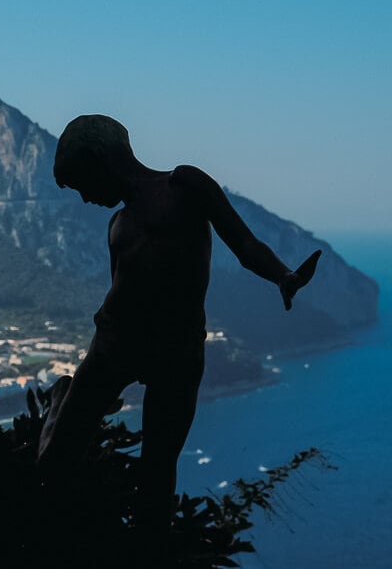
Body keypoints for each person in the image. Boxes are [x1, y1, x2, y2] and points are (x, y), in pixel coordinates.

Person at [37, 114, 320, 527]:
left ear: (101, 159)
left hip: (177, 350)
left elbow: (243, 242)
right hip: (114, 343)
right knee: (52, 464)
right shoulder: (117, 224)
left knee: (156, 477)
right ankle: (59, 399)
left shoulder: (184, 184)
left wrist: (284, 276)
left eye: (82, 183)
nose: (85, 199)